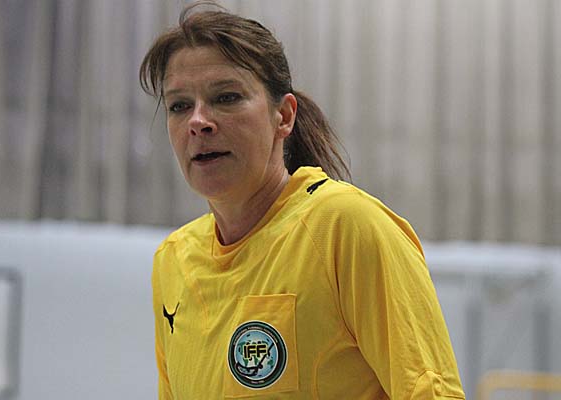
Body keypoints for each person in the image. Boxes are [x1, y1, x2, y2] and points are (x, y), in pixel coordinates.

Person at [140, 2, 465, 399]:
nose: (198, 121)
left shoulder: (345, 227)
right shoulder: (173, 260)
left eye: (226, 97)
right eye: (179, 105)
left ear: (284, 116)